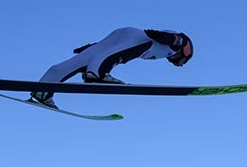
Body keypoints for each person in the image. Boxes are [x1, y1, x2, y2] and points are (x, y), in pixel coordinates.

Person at [30, 27, 193, 109]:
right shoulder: (180, 45)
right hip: (140, 37)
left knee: (82, 61)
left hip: (122, 33)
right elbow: (172, 39)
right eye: (183, 62)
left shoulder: (168, 51)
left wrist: (90, 48)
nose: (180, 65)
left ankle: (43, 90)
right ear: (187, 52)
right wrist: (163, 37)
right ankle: (98, 75)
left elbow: (108, 49)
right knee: (134, 49)